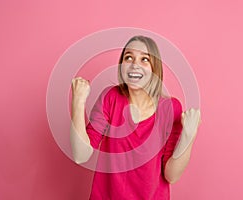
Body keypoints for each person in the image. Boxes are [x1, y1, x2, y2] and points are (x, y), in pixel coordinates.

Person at [70, 35, 201, 200]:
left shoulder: (170, 109)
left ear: (155, 69)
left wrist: (189, 136)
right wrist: (78, 102)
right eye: (128, 57)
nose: (134, 65)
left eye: (144, 59)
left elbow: (171, 176)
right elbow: (80, 155)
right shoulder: (111, 97)